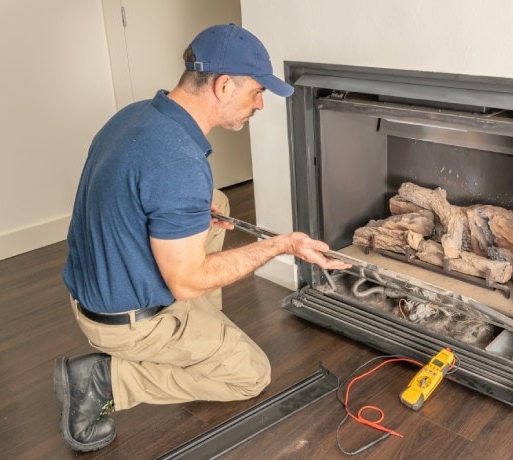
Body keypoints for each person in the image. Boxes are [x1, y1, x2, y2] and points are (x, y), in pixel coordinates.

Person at [54, 23, 350, 452]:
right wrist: (281, 244)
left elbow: (140, 198)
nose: (261, 104)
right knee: (250, 375)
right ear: (224, 85)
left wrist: (184, 218)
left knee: (216, 202)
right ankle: (105, 379)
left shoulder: (139, 116)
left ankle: (200, 331)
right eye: (257, 91)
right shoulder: (178, 161)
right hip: (127, 323)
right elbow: (186, 282)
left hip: (92, 288)